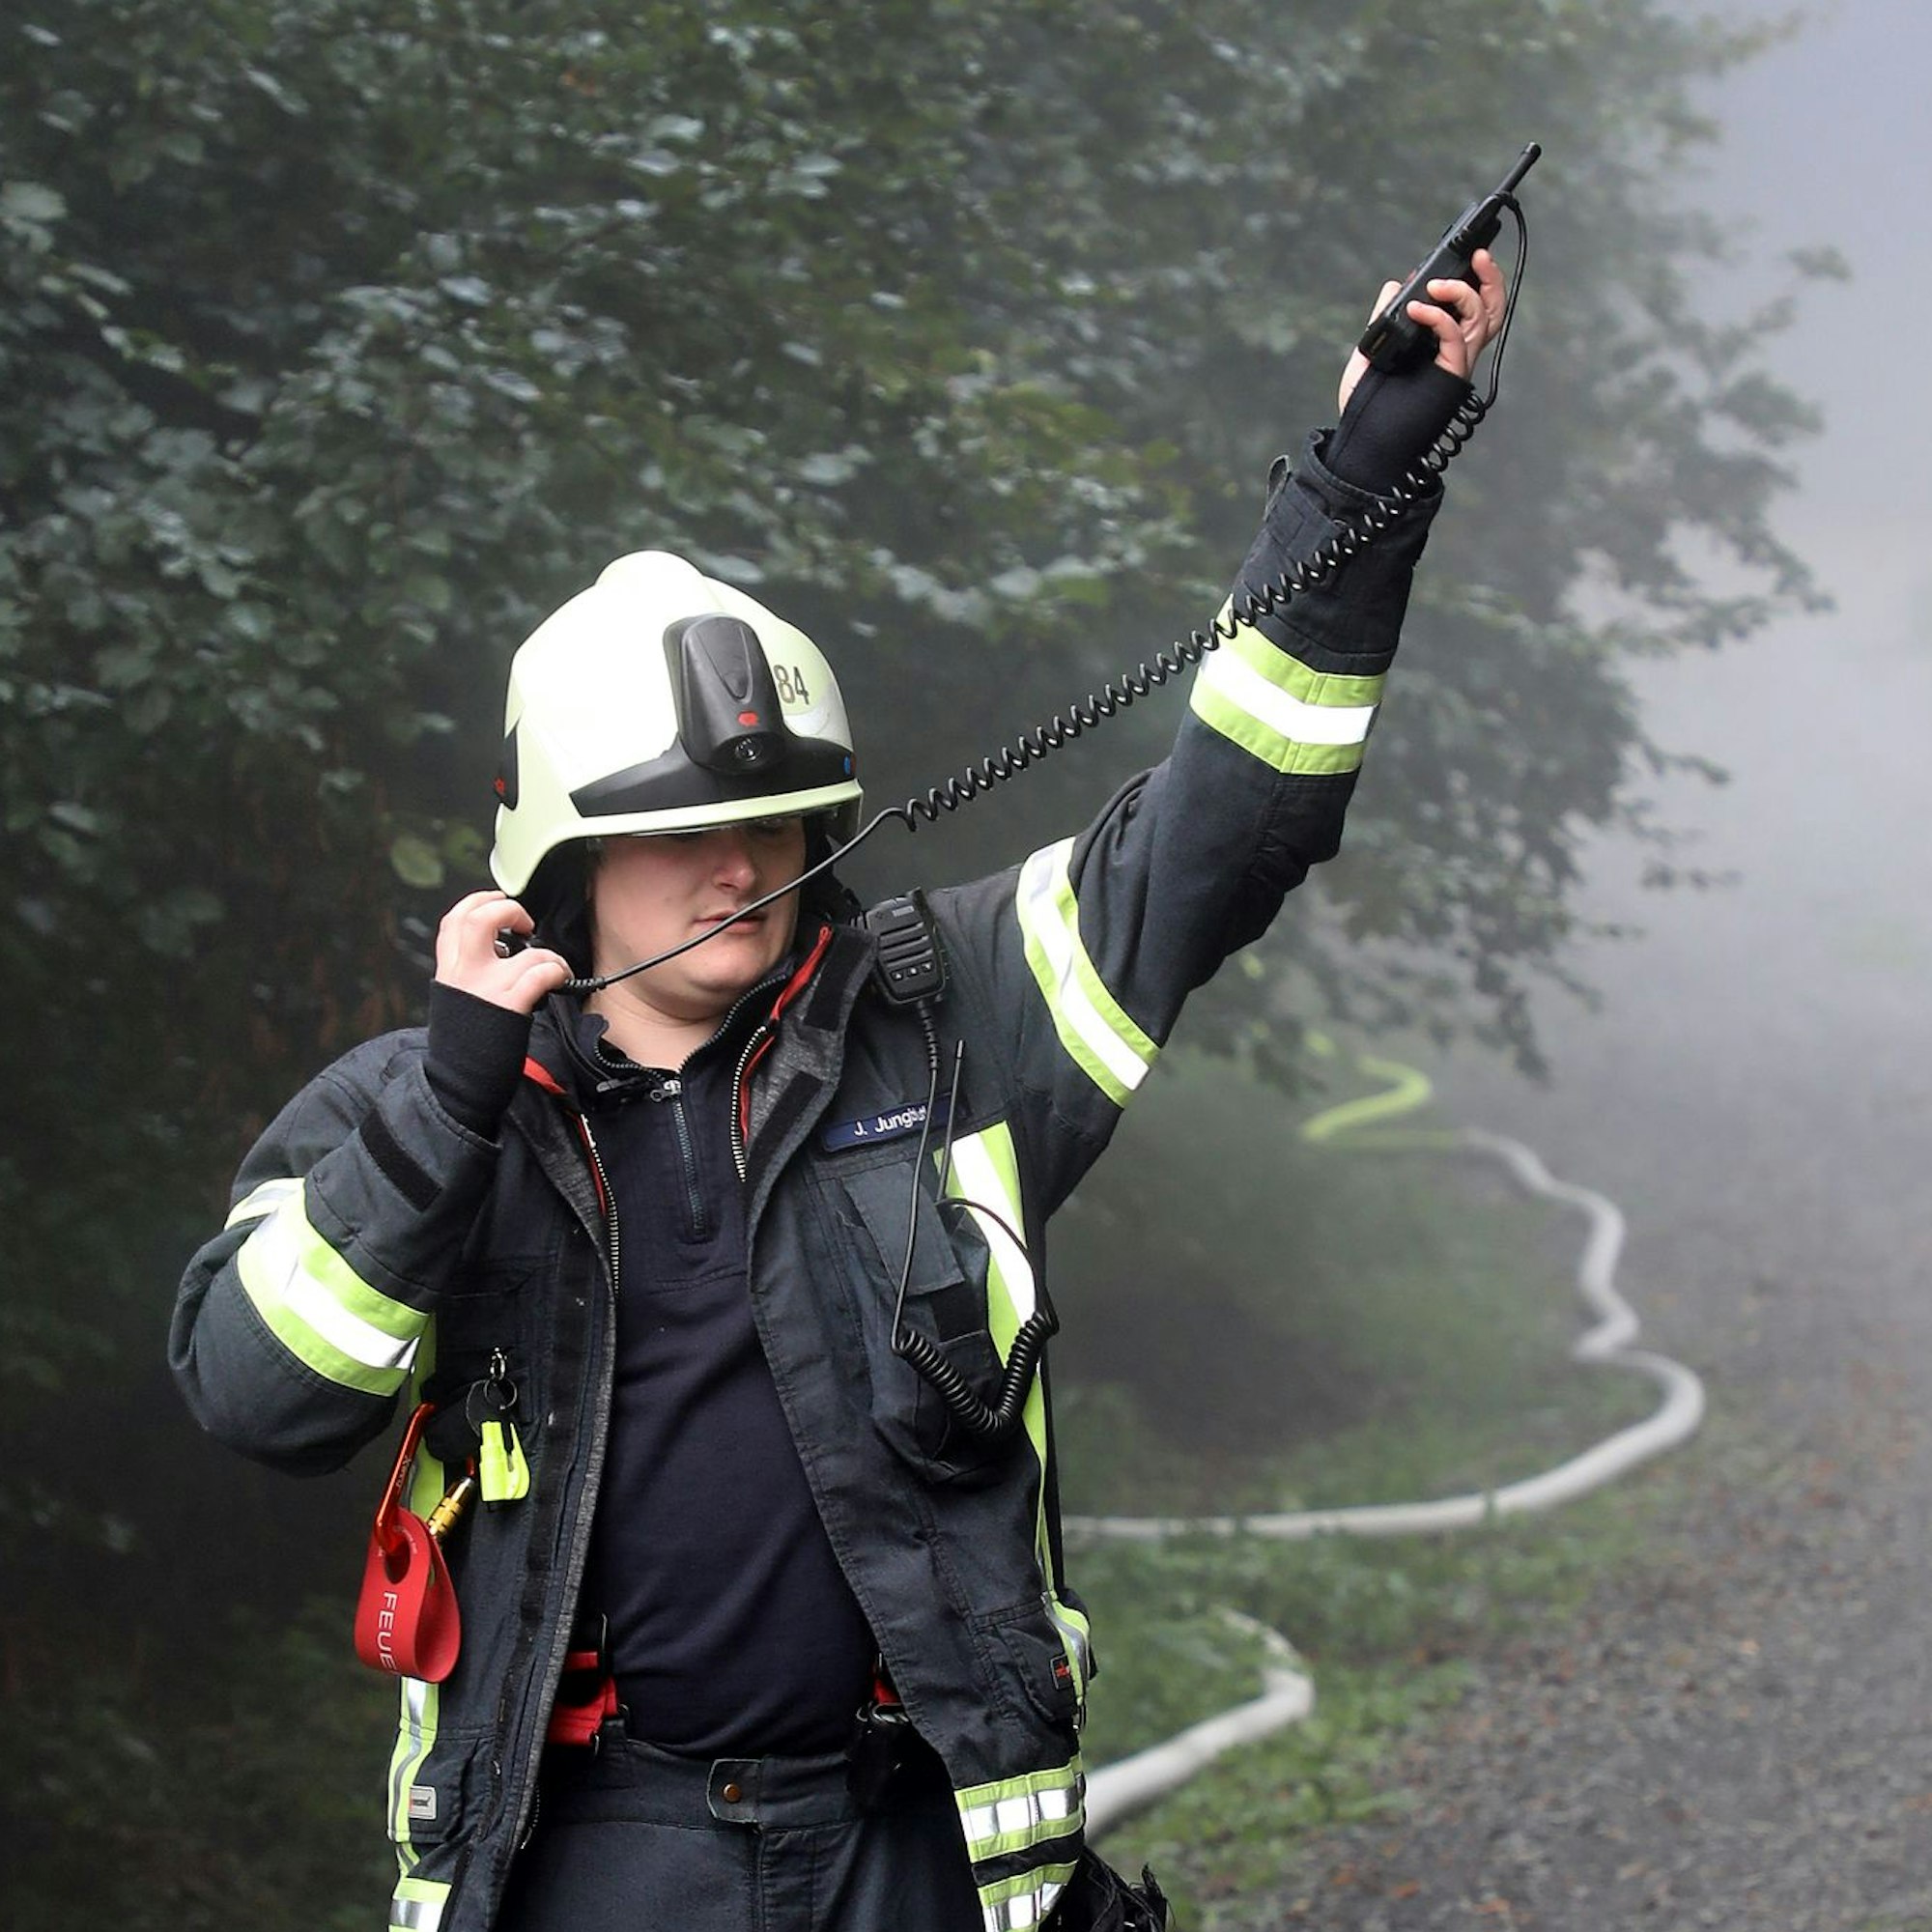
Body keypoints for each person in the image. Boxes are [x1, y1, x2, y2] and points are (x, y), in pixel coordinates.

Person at [171, 255, 1510, 1932]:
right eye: (680, 829)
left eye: (774, 815)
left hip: (913, 1843)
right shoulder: (431, 1110)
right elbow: (255, 1399)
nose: (740, 863)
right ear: (566, 857)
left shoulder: (952, 1018)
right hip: (599, 1855)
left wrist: (1361, 484)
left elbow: (1226, 830)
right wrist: (445, 1114)